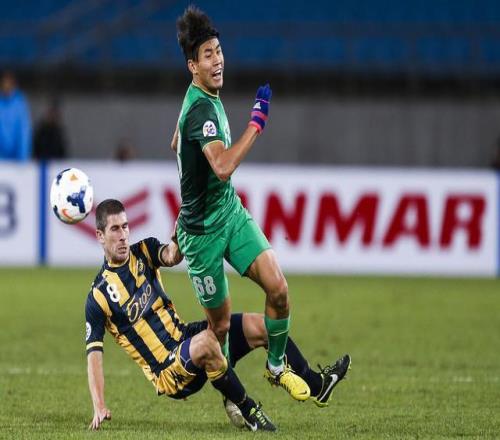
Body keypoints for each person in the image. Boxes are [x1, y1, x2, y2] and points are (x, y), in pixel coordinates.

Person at [85, 199, 351, 431]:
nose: (123, 235)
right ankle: (249, 411)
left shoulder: (142, 251)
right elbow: (94, 354)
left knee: (262, 327)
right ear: (100, 236)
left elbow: (171, 256)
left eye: (125, 226)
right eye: (115, 229)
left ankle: (318, 385)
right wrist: (99, 405)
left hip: (185, 337)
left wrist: (179, 235)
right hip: (167, 370)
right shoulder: (99, 295)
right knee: (209, 342)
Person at [172, 5, 311, 403]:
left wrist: (186, 161)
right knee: (218, 328)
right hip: (202, 235)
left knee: (278, 288)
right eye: (208, 55)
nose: (218, 60)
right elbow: (221, 167)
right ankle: (230, 398)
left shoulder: (200, 99)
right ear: (192, 66)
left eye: (218, 51)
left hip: (229, 214)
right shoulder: (201, 109)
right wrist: (256, 123)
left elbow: (175, 141)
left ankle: (276, 366)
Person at [0, 71, 32, 161]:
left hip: (17, 158)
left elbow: (24, 131)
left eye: (8, 83)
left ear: (13, 84)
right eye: (4, 83)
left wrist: (23, 156)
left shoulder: (20, 103)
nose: (6, 86)